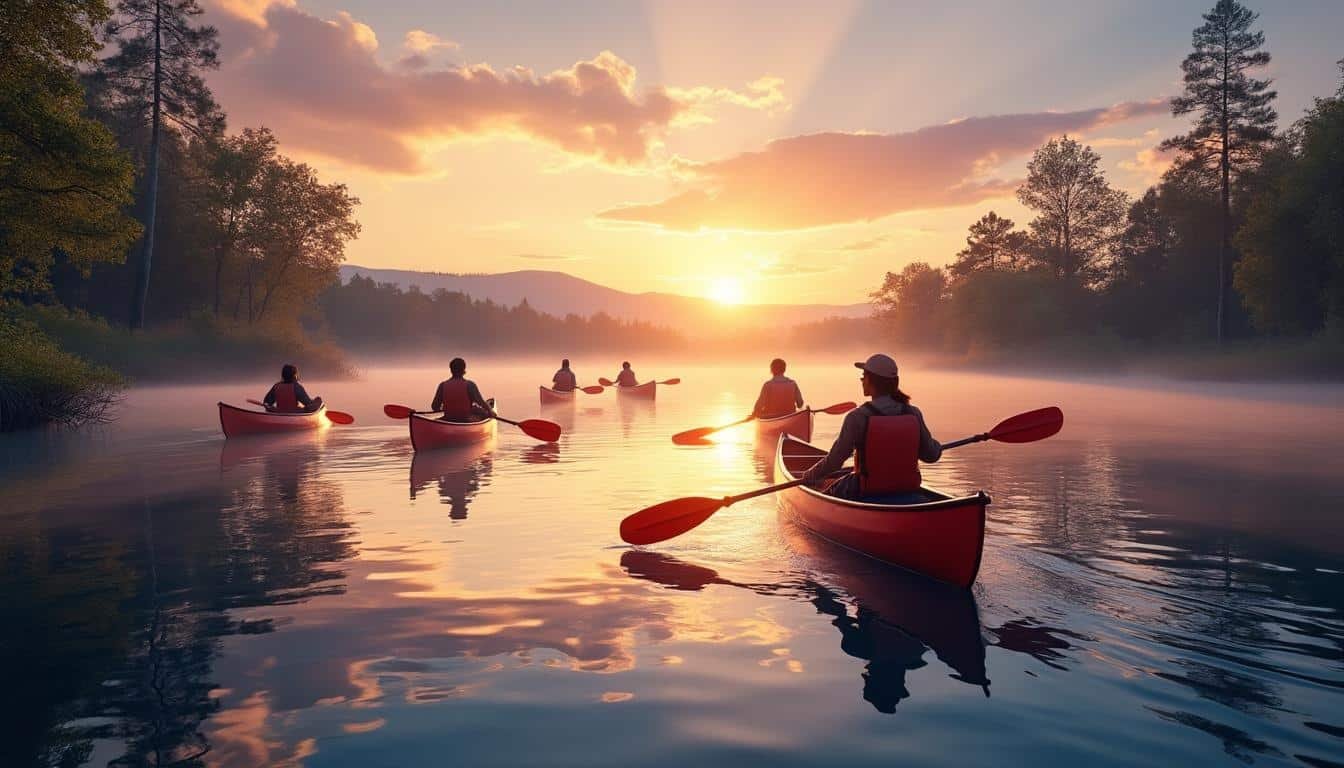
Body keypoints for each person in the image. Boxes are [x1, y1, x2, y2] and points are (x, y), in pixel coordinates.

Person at [800, 354, 941, 501]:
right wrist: (936, 446)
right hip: (905, 487)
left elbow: (835, 461)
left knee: (826, 490)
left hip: (866, 491)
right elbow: (931, 455)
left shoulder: (857, 417)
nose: (861, 381)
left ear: (870, 380)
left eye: (863, 376)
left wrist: (810, 475)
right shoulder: (913, 413)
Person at [431, 357, 496, 423]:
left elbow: (434, 407)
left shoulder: (442, 385)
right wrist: (490, 411)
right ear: (464, 369)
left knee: (475, 409)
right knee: (483, 414)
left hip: (448, 419)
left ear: (451, 370)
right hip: (465, 420)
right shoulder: (470, 385)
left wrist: (444, 407)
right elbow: (481, 402)